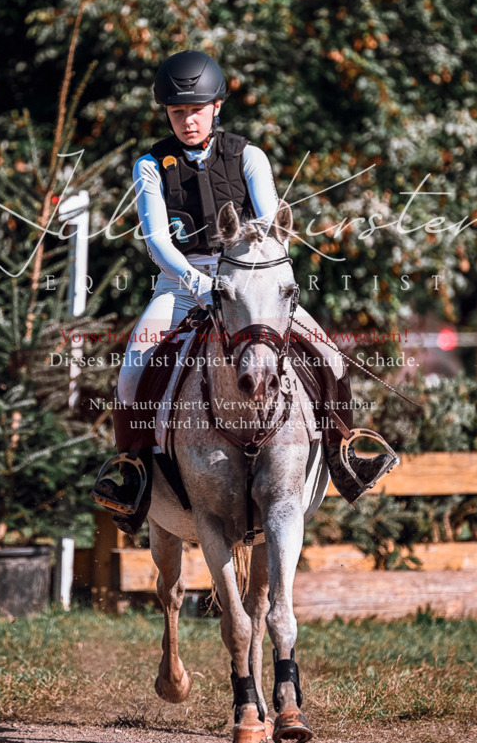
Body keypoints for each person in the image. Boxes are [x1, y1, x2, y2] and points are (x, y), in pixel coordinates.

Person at [91, 51, 398, 532]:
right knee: (133, 367)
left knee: (330, 354)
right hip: (182, 281)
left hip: (249, 280)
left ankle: (343, 450)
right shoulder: (150, 165)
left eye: (196, 110)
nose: (187, 120)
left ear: (216, 107)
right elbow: (156, 240)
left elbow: (273, 224)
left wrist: (243, 277)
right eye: (177, 113)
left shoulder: (248, 156)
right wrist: (198, 282)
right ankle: (130, 472)